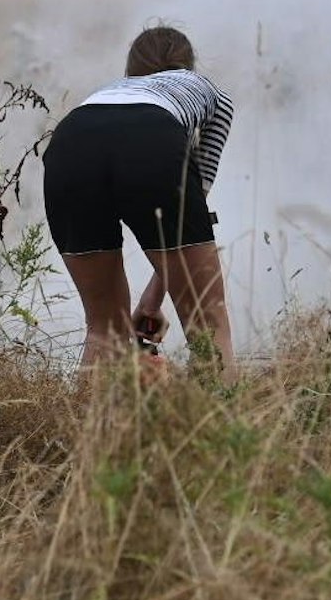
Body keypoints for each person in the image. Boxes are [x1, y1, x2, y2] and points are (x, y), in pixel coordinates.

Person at [42, 24, 236, 378]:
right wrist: (156, 296)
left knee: (104, 331)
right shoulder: (212, 94)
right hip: (152, 137)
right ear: (188, 64)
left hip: (70, 142)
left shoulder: (111, 91)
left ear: (132, 68)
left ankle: (84, 416)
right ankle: (222, 410)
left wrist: (152, 299)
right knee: (208, 326)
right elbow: (189, 211)